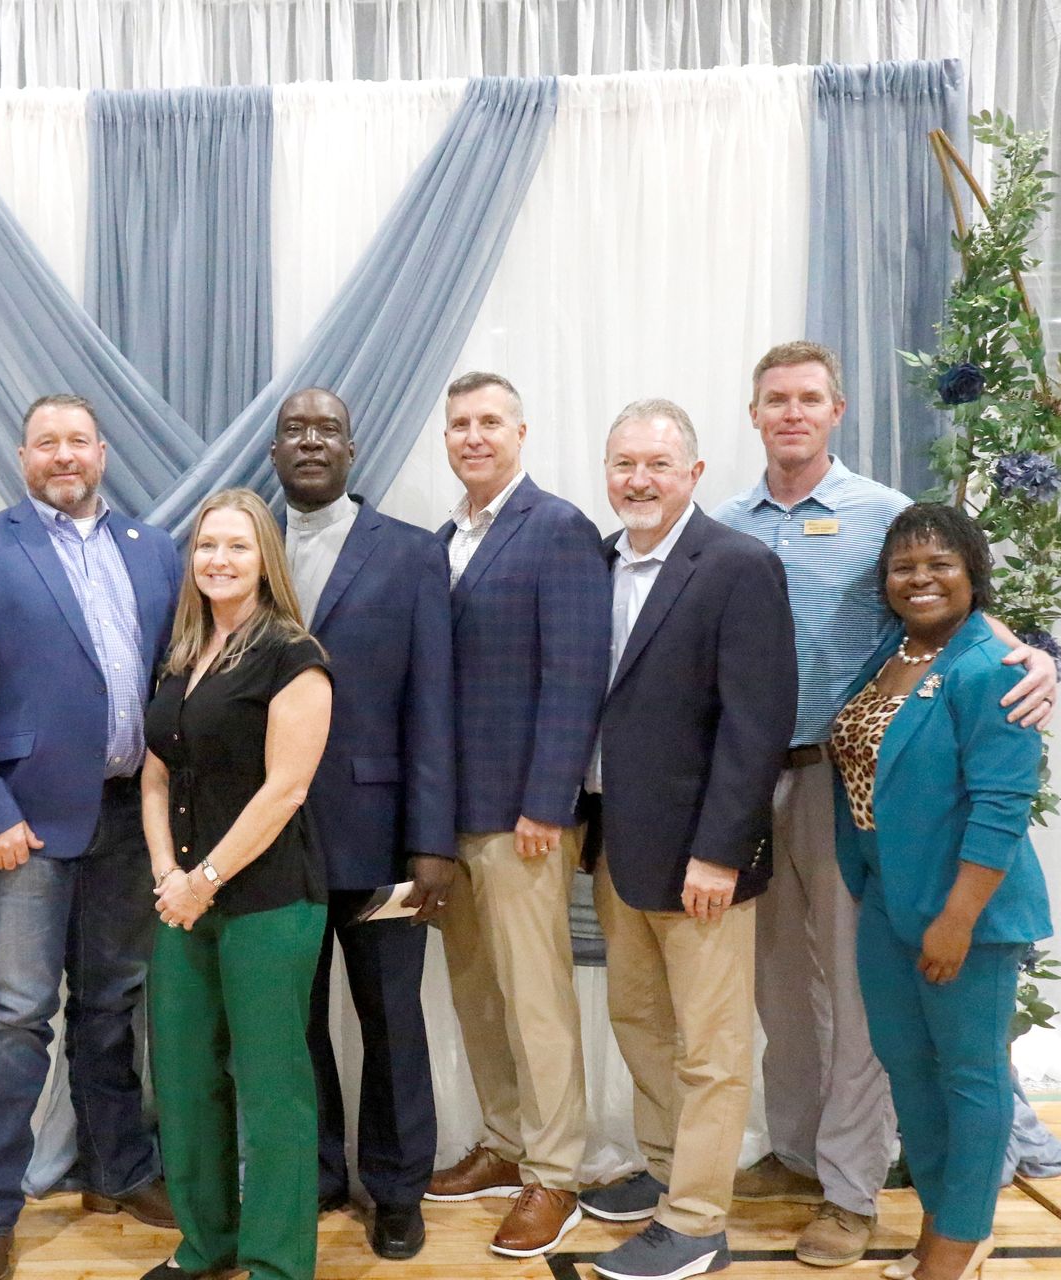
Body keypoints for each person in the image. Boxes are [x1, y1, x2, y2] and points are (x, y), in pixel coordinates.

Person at [713, 341, 1059, 1267]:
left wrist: (1028, 652)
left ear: (838, 410)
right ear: (754, 415)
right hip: (748, 782)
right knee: (782, 991)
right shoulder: (724, 522)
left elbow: (949, 595)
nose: (791, 413)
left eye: (808, 398)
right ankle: (796, 1152)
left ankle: (850, 1190)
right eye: (775, 399)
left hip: (847, 782)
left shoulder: (882, 513)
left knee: (864, 1007)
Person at [0, 393, 181, 1280]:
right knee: (18, 1012)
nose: (63, 455)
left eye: (78, 441)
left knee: (114, 1003)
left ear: (102, 452)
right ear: (23, 456)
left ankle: (117, 1171)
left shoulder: (154, 549)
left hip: (130, 818)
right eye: (46, 443)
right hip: (26, 826)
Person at [573, 401, 797, 1280]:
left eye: (658, 465)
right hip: (618, 849)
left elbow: (757, 724)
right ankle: (668, 1171)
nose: (639, 480)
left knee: (710, 1048)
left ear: (694, 474)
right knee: (638, 1021)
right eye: (624, 463)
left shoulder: (737, 565)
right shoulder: (598, 562)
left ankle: (698, 1220)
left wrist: (720, 852)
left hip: (702, 856)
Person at [832, 504, 1050, 1280]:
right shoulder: (895, 651)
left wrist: (957, 919)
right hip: (888, 896)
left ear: (972, 572)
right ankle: (936, 1218)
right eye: (904, 567)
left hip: (966, 909)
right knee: (907, 1066)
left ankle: (961, 1240)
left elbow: (1001, 805)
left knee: (970, 1073)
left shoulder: (992, 667)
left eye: (940, 565)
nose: (920, 579)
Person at [423, 372, 611, 1259]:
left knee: (536, 998)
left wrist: (550, 801)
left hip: (523, 816)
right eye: (460, 423)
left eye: (489, 421)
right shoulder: (441, 540)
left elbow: (576, 673)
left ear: (521, 433)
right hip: (452, 817)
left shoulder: (559, 528)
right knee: (477, 990)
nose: (473, 435)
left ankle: (556, 1173)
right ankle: (503, 1142)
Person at [266, 387, 454, 1259]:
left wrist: (432, 842)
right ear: (274, 452)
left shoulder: (412, 554)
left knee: (391, 1019)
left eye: (327, 430)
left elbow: (433, 703)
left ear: (352, 449)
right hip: (270, 841)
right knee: (291, 1020)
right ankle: (315, 1174)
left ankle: (398, 1188)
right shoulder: (243, 545)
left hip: (382, 838)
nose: (311, 441)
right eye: (294, 430)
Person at [139, 487, 333, 1280]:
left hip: (269, 902)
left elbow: (286, 790)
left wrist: (205, 878)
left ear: (265, 560)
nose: (218, 559)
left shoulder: (294, 656)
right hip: (182, 903)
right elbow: (155, 772)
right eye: (206, 546)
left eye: (237, 546)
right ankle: (205, 1246)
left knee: (272, 1087)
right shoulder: (183, 651)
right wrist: (168, 875)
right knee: (186, 1081)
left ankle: (277, 1263)